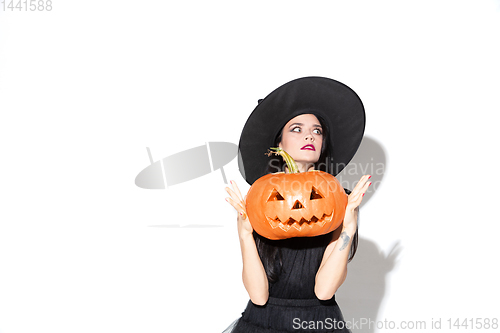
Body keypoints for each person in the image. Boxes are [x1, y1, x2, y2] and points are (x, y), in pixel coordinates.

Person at [224, 77, 370, 333]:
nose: (309, 136)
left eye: (317, 131)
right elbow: (258, 296)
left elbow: (324, 291)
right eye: (296, 129)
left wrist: (348, 227)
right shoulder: (261, 198)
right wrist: (245, 233)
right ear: (278, 143)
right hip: (262, 323)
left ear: (323, 143)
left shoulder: (339, 198)